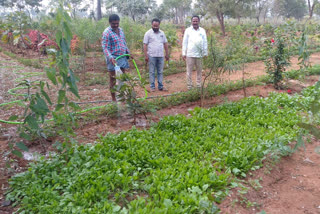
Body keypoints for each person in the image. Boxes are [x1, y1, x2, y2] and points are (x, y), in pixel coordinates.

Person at [101, 14, 130, 101]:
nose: (116, 25)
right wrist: (111, 58)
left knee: (122, 78)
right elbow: (105, 48)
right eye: (113, 24)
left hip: (122, 58)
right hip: (113, 59)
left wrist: (128, 52)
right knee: (113, 79)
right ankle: (114, 99)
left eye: (117, 23)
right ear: (110, 23)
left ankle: (122, 96)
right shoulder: (107, 32)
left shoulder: (121, 30)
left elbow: (123, 43)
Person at [182, 15, 208, 90]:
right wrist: (184, 53)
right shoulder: (188, 30)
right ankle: (189, 86)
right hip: (190, 54)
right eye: (194, 21)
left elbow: (205, 42)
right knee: (189, 71)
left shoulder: (202, 30)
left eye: (196, 21)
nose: (195, 22)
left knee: (199, 71)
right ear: (191, 22)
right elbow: (185, 42)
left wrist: (205, 52)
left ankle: (198, 85)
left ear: (199, 21)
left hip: (199, 55)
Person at [143, 18, 169, 92]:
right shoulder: (148, 33)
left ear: (159, 25)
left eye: (157, 26)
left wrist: (167, 54)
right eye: (154, 26)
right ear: (152, 25)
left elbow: (165, 43)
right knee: (152, 71)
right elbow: (145, 45)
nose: (155, 27)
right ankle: (152, 87)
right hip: (151, 56)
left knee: (160, 71)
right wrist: (146, 55)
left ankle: (160, 86)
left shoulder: (162, 33)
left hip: (160, 55)